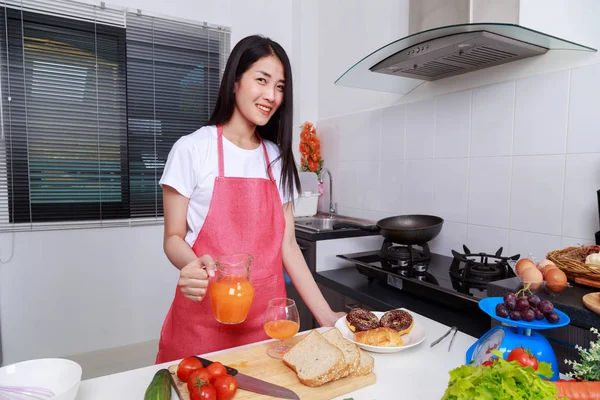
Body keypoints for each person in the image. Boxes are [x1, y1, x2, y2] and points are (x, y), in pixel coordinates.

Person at [156, 35, 345, 363]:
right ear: (235, 82)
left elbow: (288, 246)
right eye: (262, 80)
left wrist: (326, 315)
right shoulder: (192, 149)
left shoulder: (275, 157)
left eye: (281, 87)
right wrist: (191, 265)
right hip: (203, 324)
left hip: (268, 327)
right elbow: (173, 237)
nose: (271, 96)